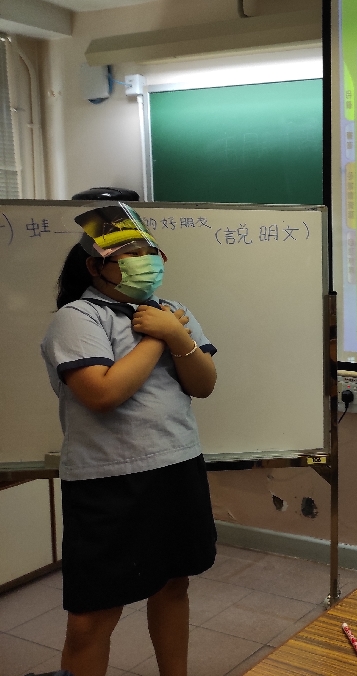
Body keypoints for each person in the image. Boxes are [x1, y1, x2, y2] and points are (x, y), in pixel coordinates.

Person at [40, 203, 219, 676]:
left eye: (150, 251)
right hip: (108, 481)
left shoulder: (174, 313)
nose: (146, 261)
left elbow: (203, 384)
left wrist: (174, 332)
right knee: (93, 615)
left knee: (173, 586)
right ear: (95, 266)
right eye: (130, 254)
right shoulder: (78, 317)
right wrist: (159, 337)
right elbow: (102, 393)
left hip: (177, 466)